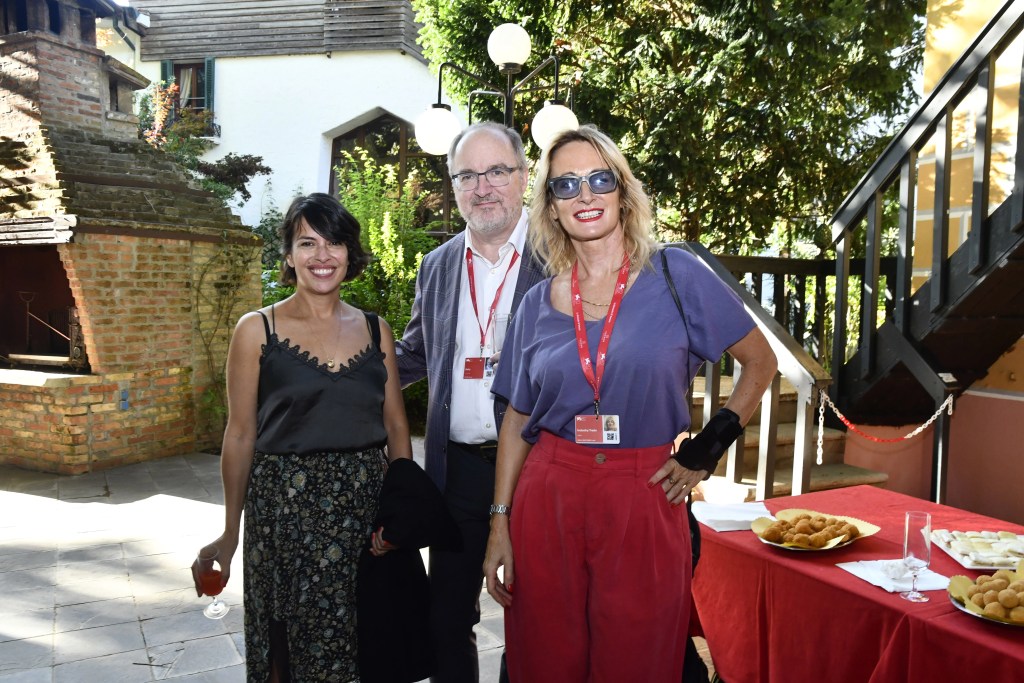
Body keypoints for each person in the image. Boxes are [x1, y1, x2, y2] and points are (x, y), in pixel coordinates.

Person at [483, 125, 778, 683]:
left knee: (638, 658)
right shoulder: (534, 302)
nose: (585, 195)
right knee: (545, 658)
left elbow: (760, 364)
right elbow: (518, 418)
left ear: (622, 190)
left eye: (599, 179)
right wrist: (499, 523)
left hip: (644, 492)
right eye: (566, 185)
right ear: (550, 206)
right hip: (549, 493)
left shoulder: (678, 275)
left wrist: (708, 446)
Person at [192, 193, 413, 682]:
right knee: (285, 651)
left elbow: (397, 425)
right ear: (288, 256)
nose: (322, 255)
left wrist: (399, 513)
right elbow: (241, 433)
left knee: (364, 640)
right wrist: (231, 532)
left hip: (363, 509)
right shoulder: (257, 329)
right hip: (283, 514)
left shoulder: (377, 331)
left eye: (334, 243)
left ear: (350, 254)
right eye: (307, 242)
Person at [396, 122, 547, 683]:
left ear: (524, 177)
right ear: (453, 184)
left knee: (531, 617)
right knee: (445, 622)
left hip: (537, 469)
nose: (482, 187)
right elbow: (414, 353)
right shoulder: (436, 267)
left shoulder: (560, 257)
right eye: (467, 175)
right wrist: (340, 369)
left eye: (497, 172)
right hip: (455, 471)